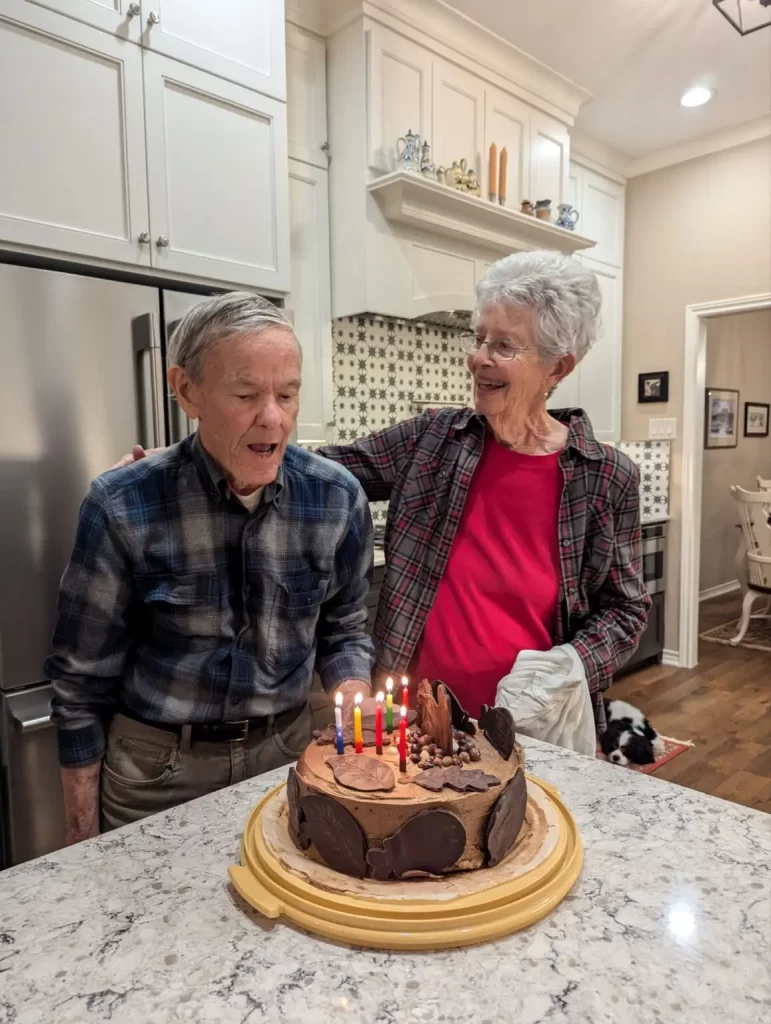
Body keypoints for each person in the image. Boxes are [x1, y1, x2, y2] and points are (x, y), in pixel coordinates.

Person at [117, 250, 649, 743]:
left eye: (504, 346)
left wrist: (572, 664)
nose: (477, 358)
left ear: (559, 367)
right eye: (478, 337)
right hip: (414, 721)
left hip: (531, 728)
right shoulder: (436, 438)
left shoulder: (604, 478)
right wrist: (187, 457)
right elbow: (314, 467)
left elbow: (625, 611)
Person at [46, 292, 373, 845]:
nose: (273, 416)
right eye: (246, 393)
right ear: (186, 390)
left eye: (288, 393)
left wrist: (356, 697)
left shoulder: (336, 497)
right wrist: (83, 843)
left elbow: (343, 630)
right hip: (157, 774)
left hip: (288, 759)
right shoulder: (123, 504)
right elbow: (80, 687)